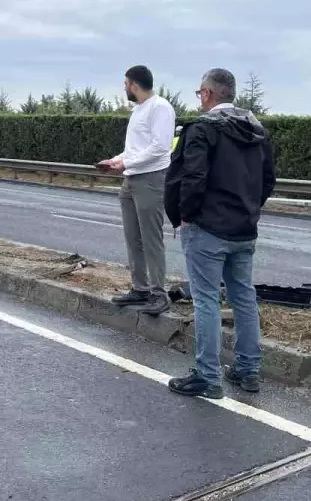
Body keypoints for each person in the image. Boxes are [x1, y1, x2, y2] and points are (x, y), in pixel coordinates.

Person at [164, 68, 275, 399]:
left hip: (207, 228)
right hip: (244, 228)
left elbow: (191, 175)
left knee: (206, 300)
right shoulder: (257, 131)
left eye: (200, 94)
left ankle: (207, 376)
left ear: (208, 94)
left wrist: (185, 215)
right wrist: (250, 209)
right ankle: (247, 369)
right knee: (243, 297)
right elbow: (268, 179)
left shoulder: (202, 129)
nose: (200, 99)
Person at [98, 65, 176, 316]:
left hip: (150, 179)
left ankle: (159, 294)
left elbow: (160, 148)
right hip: (131, 180)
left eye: (126, 83)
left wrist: (126, 163)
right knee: (133, 238)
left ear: (134, 84)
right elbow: (135, 149)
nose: (124, 88)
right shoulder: (139, 110)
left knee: (151, 239)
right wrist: (115, 160)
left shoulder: (160, 107)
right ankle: (140, 288)